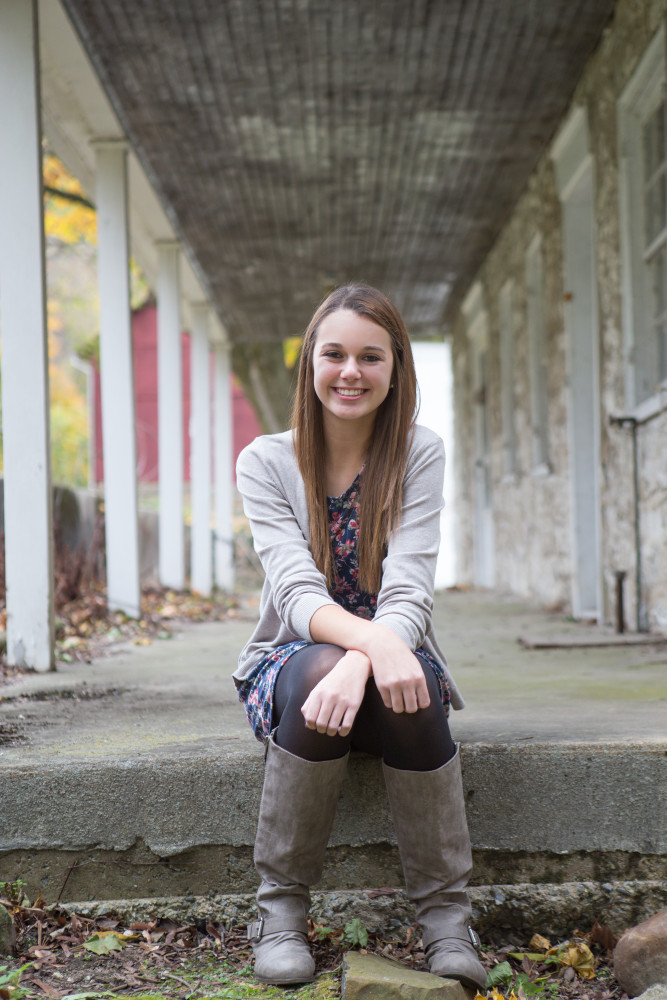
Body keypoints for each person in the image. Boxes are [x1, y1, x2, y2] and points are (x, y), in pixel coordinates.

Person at [233, 283, 486, 991]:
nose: (350, 371)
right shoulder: (265, 460)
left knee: (410, 694)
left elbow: (408, 589)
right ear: (310, 363)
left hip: (395, 654)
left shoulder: (418, 453)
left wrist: (373, 654)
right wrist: (359, 654)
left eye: (370, 357)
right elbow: (295, 593)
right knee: (320, 671)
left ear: (396, 369)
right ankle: (279, 912)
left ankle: (445, 919)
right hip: (293, 659)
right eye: (335, 353)